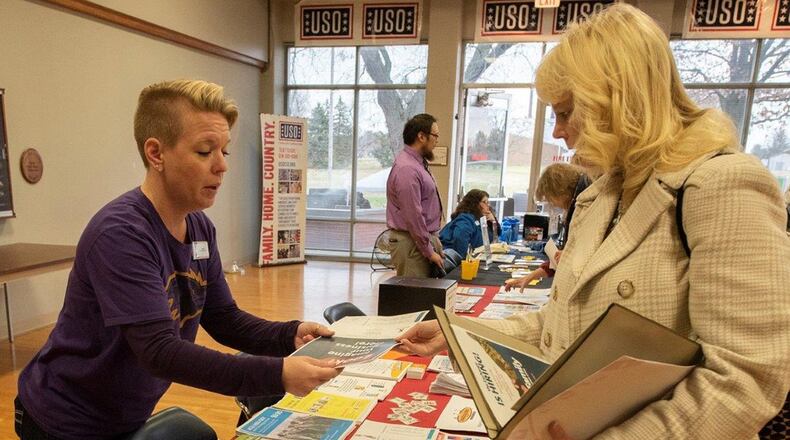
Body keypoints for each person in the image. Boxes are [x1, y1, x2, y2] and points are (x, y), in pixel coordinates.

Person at [397, 4, 790, 439]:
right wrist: (461, 335)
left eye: (566, 112)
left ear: (616, 100)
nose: (558, 132)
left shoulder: (723, 184)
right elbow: (558, 326)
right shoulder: (601, 196)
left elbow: (747, 377)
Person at [14, 80, 341, 440]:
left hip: (124, 414)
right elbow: (159, 351)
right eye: (205, 152)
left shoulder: (199, 226)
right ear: (156, 154)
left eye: (224, 152)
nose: (221, 167)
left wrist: (288, 334)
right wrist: (277, 373)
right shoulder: (121, 234)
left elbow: (223, 319)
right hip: (64, 422)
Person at [504, 163, 589, 291]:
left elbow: (583, 256)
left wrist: (569, 255)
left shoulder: (583, 209)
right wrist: (531, 276)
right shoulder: (576, 207)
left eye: (551, 199)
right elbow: (558, 261)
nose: (553, 204)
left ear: (558, 191)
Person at [386, 113, 444, 277]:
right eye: (435, 135)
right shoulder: (407, 169)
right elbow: (413, 215)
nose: (437, 140)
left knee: (424, 298)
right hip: (411, 243)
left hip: (419, 240)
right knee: (414, 299)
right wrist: (429, 251)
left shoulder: (418, 164)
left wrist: (433, 244)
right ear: (421, 136)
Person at [439, 189, 497, 257]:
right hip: (453, 260)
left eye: (488, 202)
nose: (488, 205)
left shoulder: (479, 219)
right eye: (484, 202)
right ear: (474, 204)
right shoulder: (465, 219)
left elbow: (492, 240)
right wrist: (465, 262)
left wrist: (493, 222)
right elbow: (460, 239)